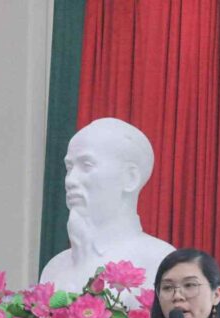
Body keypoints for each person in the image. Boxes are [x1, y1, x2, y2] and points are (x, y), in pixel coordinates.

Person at [40, 117, 174, 295]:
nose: (70, 180)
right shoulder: (55, 268)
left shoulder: (159, 261)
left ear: (130, 178)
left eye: (86, 165)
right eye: (69, 168)